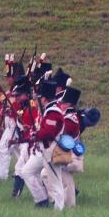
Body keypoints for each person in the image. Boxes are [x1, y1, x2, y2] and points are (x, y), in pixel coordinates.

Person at [20, 79, 66, 209]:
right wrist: (32, 131)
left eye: (39, 97)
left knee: (56, 182)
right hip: (42, 150)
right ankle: (41, 200)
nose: (36, 99)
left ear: (45, 98)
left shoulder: (53, 112)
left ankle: (59, 209)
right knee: (26, 171)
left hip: (51, 150)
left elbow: (49, 133)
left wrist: (35, 135)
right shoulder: (48, 110)